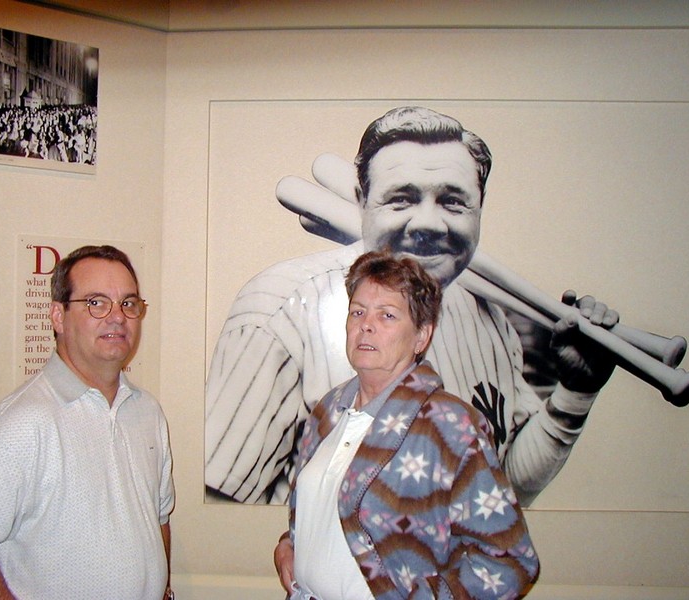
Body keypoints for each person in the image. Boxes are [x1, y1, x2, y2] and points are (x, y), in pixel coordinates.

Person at [205, 106, 618, 506]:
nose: (428, 224)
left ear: (480, 206)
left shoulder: (488, 317)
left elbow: (500, 492)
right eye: (401, 200)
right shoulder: (279, 312)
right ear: (361, 200)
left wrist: (576, 393)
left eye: (452, 201)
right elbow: (221, 504)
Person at [273, 250, 539, 599]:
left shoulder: (450, 426)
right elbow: (324, 515)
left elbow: (511, 564)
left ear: (421, 336)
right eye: (358, 311)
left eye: (387, 315)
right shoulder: (327, 411)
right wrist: (289, 545)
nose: (366, 325)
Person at [0, 245, 175, 600]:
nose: (118, 317)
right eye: (96, 302)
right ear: (58, 317)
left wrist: (162, 587)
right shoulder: (21, 424)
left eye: (128, 303)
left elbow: (158, 516)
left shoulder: (147, 412)